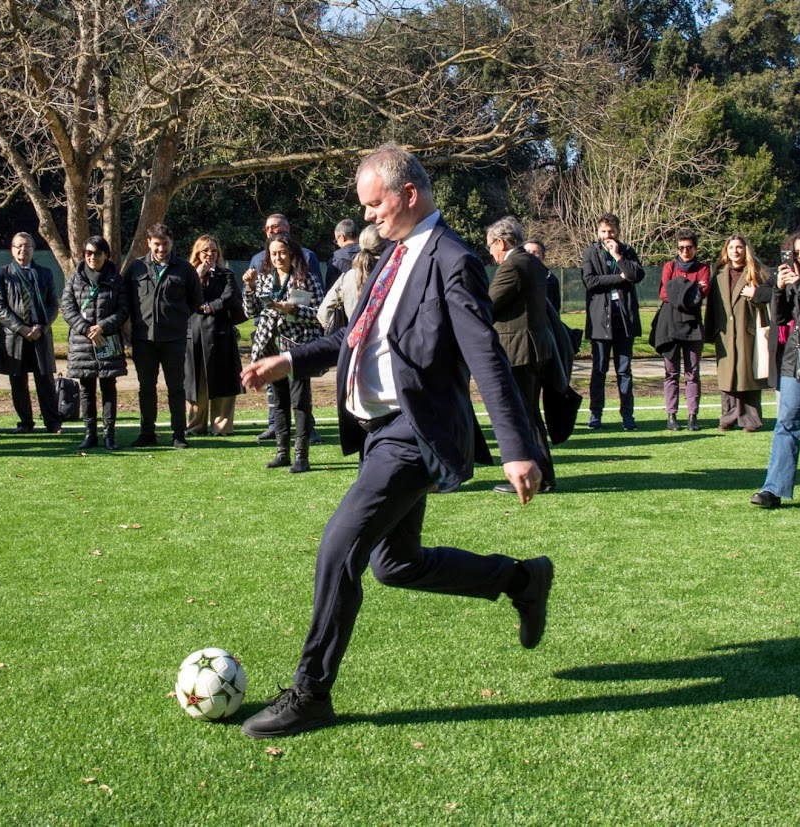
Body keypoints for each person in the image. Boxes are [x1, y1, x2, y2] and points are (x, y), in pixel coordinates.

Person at [237, 144, 549, 739]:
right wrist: (288, 361)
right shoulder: (389, 254)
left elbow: (486, 357)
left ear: (408, 195)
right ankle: (521, 580)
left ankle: (310, 694)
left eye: (375, 205)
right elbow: (354, 339)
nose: (369, 217)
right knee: (396, 564)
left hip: (415, 434)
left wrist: (516, 448)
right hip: (380, 434)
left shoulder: (453, 259)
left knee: (338, 549)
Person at [486, 216, 557, 493]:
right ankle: (544, 476)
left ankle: (538, 478)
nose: (490, 252)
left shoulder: (512, 266)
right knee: (530, 414)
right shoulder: (533, 264)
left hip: (519, 350)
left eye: (491, 245)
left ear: (502, 242)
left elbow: (489, 305)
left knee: (524, 415)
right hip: (536, 348)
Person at [241, 231, 323, 472]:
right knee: (278, 403)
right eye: (273, 253)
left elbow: (319, 316)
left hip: (297, 348)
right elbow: (251, 312)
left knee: (300, 403)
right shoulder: (265, 279)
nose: (278, 258)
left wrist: (294, 310)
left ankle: (302, 457)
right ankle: (282, 453)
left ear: (292, 254)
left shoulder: (306, 279)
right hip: (270, 348)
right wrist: (249, 287)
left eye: (282, 253)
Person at [123, 223, 202, 448]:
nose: (161, 249)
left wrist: (176, 319)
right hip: (143, 339)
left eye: (165, 244)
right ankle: (147, 433)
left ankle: (178, 434)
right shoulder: (136, 268)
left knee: (176, 388)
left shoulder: (184, 269)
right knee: (146, 388)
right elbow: (126, 301)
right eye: (156, 244)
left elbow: (195, 301)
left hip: (174, 339)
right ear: (148, 243)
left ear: (171, 243)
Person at [751, 231, 800, 508]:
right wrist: (777, 287)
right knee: (786, 425)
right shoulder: (796, 281)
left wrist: (798, 285)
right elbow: (782, 317)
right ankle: (773, 490)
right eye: (799, 253)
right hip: (795, 362)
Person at [61, 236, 128, 450]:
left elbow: (123, 309)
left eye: (97, 253)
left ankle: (109, 435)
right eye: (88, 253)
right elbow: (68, 308)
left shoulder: (116, 280)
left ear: (106, 255)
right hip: (82, 344)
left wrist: (103, 327)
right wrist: (86, 328)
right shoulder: (75, 279)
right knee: (86, 389)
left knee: (109, 388)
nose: (92, 257)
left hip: (107, 342)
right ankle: (90, 434)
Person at [580, 213, 645, 430]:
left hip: (624, 321)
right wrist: (619, 278)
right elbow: (590, 281)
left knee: (624, 371)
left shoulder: (626, 251)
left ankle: (628, 416)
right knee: (599, 370)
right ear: (598, 232)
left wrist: (618, 258)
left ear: (617, 231)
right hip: (600, 322)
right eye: (604, 231)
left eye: (611, 231)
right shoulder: (591, 252)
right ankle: (595, 415)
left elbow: (636, 275)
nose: (608, 235)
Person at [0, 233, 62, 434]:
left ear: (33, 249)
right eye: (19, 246)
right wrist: (21, 328)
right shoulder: (3, 273)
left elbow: (52, 305)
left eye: (27, 246)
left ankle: (53, 422)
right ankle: (25, 422)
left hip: (40, 334)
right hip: (15, 336)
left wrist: (42, 327)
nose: (23, 250)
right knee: (18, 381)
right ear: (12, 249)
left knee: (46, 380)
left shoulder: (45, 273)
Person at [705, 235, 769, 432]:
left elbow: (771, 297)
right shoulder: (719, 274)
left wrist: (755, 294)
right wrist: (710, 331)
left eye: (739, 247)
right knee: (727, 377)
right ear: (726, 250)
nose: (735, 251)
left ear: (745, 249)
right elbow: (712, 307)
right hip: (724, 334)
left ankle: (750, 420)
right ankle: (729, 417)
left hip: (747, 332)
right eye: (732, 247)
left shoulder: (757, 272)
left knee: (747, 376)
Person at [184, 235, 243, 436]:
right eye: (205, 250)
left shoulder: (226, 274)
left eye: (213, 251)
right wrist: (198, 276)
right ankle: (195, 426)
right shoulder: (188, 274)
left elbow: (229, 297)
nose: (210, 254)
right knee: (195, 382)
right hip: (194, 334)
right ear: (197, 253)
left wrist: (210, 307)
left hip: (221, 334)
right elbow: (184, 297)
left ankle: (221, 427)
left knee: (223, 381)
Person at [654, 231, 710, 431]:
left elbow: (701, 295)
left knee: (692, 373)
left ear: (695, 248)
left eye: (689, 247)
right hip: (670, 326)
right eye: (681, 248)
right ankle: (671, 416)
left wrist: (679, 288)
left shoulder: (703, 268)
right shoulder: (669, 266)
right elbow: (663, 293)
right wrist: (692, 288)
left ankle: (693, 416)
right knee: (671, 373)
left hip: (693, 326)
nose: (685, 251)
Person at [318, 224, 383, 333]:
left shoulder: (344, 272)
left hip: (352, 335)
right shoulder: (393, 271)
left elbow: (323, 313)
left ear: (342, 237)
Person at [523, 239, 561, 313]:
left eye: (535, 252)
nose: (530, 255)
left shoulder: (551, 280)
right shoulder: (513, 275)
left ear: (543, 256)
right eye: (527, 252)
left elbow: (556, 308)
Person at [323, 219, 360, 291]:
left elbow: (330, 289)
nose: (337, 243)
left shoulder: (335, 259)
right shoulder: (369, 253)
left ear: (342, 237)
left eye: (336, 241)